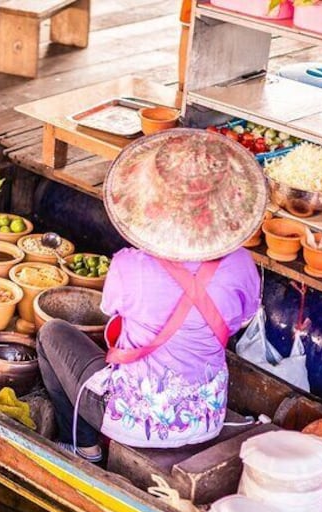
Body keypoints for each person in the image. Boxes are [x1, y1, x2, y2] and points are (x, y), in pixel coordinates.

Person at [37, 129, 266, 462]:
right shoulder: (243, 263)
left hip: (132, 419)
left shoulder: (131, 266)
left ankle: (84, 446)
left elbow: (110, 311)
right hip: (206, 418)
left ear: (154, 202)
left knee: (51, 334)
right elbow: (240, 320)